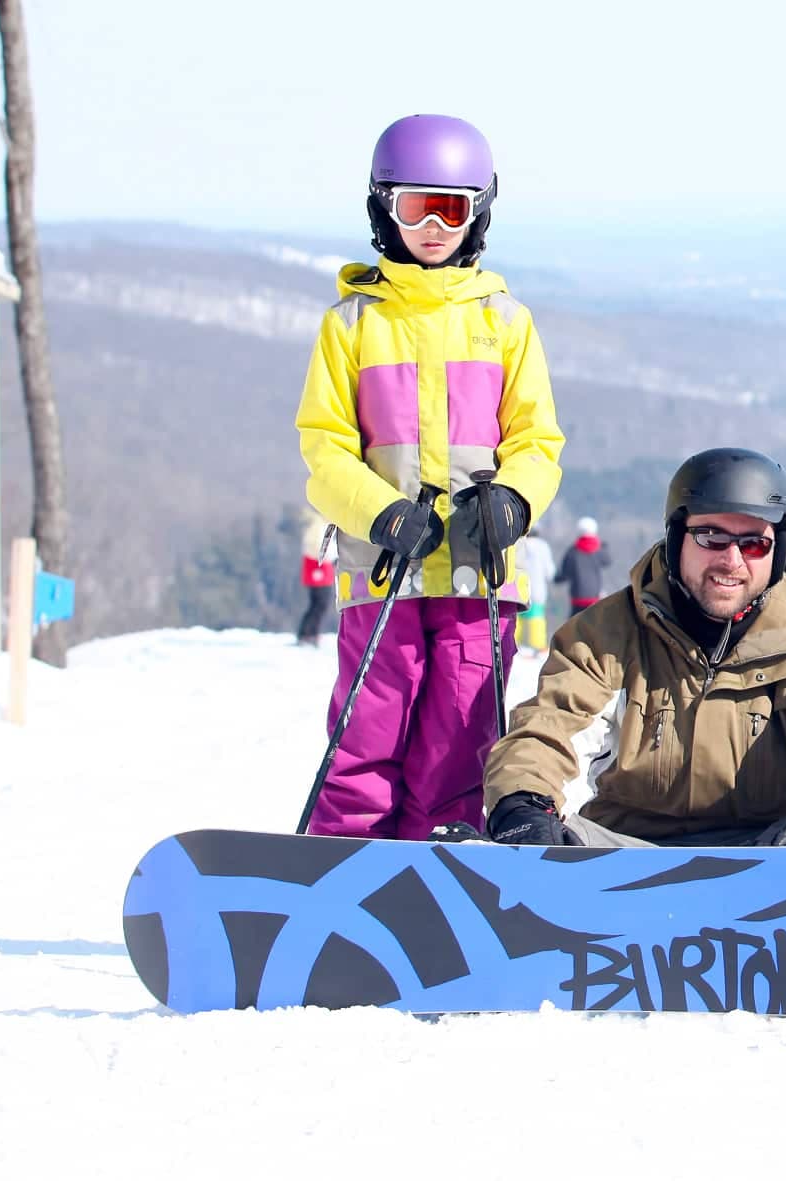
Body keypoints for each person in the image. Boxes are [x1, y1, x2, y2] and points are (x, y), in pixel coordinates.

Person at [295, 113, 564, 839]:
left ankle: (437, 875)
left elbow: (539, 439)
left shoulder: (506, 321)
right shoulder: (353, 323)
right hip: (387, 568)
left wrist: (514, 498)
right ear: (385, 206)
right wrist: (378, 511)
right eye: (418, 206)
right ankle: (344, 867)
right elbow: (323, 448)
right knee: (367, 733)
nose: (436, 227)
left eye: (453, 208)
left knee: (460, 743)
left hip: (479, 571)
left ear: (479, 211)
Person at [480, 448, 786, 847]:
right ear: (677, 538)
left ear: (778, 551)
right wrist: (524, 803)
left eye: (753, 544)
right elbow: (553, 728)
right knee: (547, 838)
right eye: (711, 537)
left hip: (773, 856)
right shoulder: (606, 634)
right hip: (627, 855)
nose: (732, 560)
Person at [556, 515, 613, 621]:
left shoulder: (572, 552)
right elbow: (608, 561)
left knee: (574, 628)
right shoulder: (599, 551)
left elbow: (564, 573)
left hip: (577, 598)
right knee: (594, 626)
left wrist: (556, 579)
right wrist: (603, 545)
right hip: (595, 597)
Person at [515, 525, 556, 656]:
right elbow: (550, 571)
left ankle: (515, 645)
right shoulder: (542, 546)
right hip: (538, 588)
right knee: (536, 618)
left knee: (517, 618)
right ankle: (537, 646)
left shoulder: (518, 543)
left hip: (518, 587)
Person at [296, 509, 334, 647]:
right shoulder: (318, 525)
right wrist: (325, 559)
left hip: (321, 567)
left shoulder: (320, 524)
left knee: (318, 604)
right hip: (319, 567)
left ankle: (310, 633)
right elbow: (314, 547)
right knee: (319, 603)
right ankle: (308, 633)